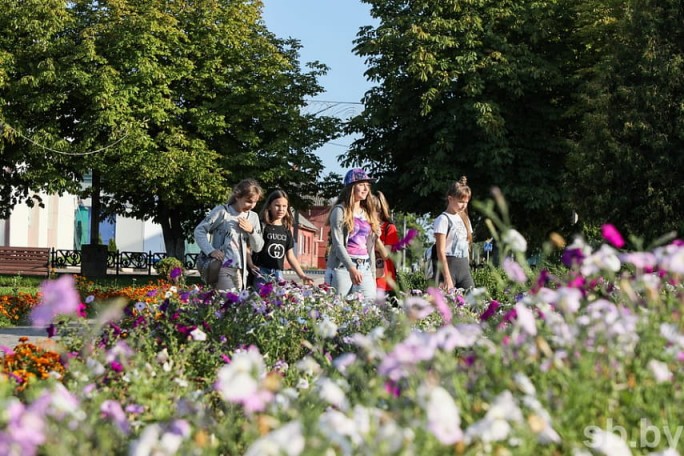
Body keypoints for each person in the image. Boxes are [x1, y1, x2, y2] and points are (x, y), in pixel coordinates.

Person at [194, 179, 264, 291]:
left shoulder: (253, 217)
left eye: (255, 202)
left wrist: (252, 231)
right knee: (232, 300)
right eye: (248, 201)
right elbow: (199, 231)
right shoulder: (222, 212)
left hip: (240, 270)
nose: (252, 205)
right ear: (237, 196)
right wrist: (211, 251)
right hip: (221, 267)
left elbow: (258, 247)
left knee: (234, 305)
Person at [325, 168, 380, 300]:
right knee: (337, 309)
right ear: (351, 187)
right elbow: (338, 244)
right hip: (343, 267)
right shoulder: (340, 211)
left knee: (369, 308)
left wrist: (372, 274)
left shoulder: (367, 213)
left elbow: (369, 247)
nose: (366, 189)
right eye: (361, 184)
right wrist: (351, 268)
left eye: (367, 185)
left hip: (365, 266)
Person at [249, 189, 314, 288]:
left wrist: (302, 275)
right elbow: (248, 247)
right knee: (261, 301)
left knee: (276, 302)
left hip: (278, 273)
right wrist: (250, 264)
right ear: (269, 206)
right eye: (277, 205)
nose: (281, 209)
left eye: (284, 206)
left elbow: (290, 256)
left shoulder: (286, 230)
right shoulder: (262, 225)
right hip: (260, 271)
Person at [433, 176, 474, 290]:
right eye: (461, 201)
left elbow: (467, 246)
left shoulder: (465, 219)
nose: (464, 205)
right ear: (450, 199)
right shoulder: (443, 219)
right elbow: (440, 251)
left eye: (466, 202)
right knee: (446, 305)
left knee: (474, 304)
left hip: (464, 268)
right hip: (449, 267)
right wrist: (447, 277)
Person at [373, 191, 400, 295]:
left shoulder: (389, 228)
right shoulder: (363, 226)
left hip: (383, 283)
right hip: (366, 279)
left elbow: (385, 255)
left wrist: (377, 238)